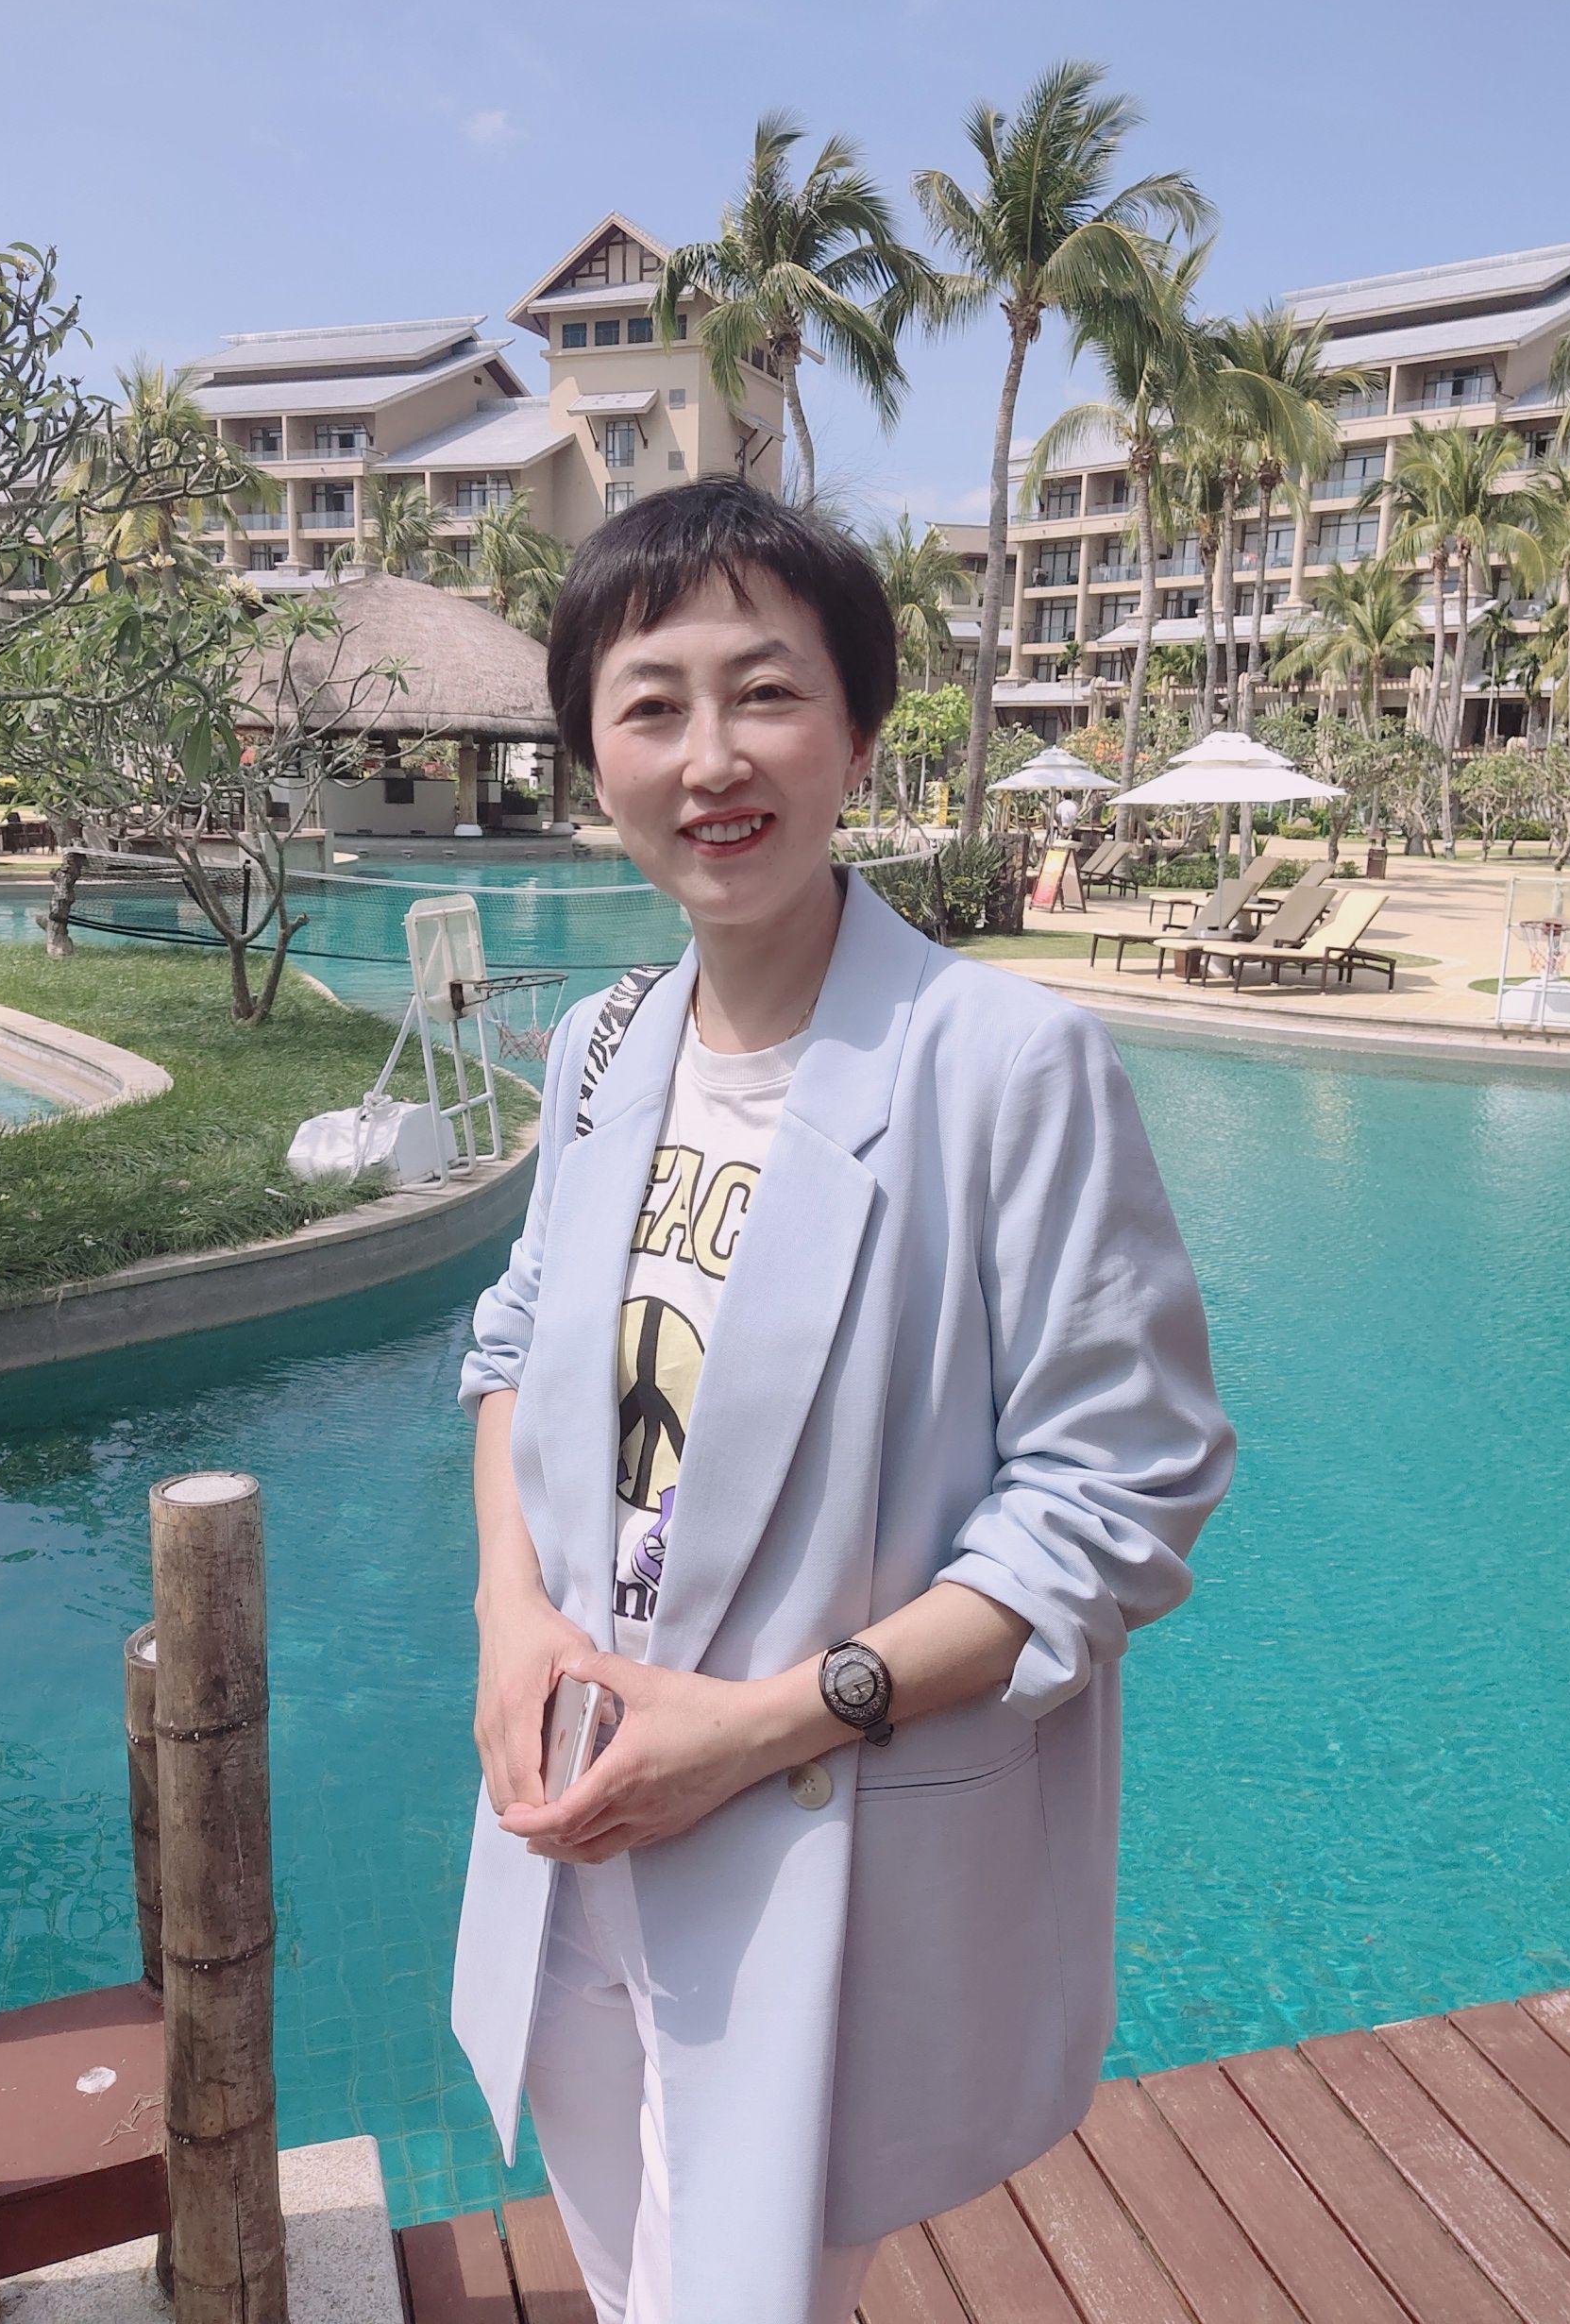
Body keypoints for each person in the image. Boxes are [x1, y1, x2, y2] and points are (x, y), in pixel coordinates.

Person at [452, 479, 1235, 2324]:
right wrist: (508, 1615)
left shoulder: (1006, 1064)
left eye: (767, 692)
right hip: (570, 1818)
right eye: (652, 705)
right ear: (592, 756)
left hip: (818, 1842)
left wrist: (762, 1726)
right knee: (628, 2276)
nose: (711, 757)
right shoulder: (603, 1046)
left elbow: (1116, 1492)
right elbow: (515, 1341)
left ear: (859, 732)